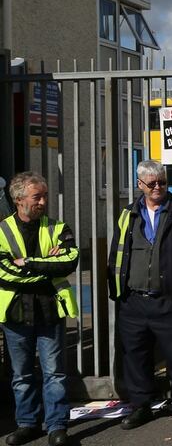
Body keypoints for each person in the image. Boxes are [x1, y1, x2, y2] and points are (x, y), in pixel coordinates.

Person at [108, 160, 172, 430]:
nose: (158, 187)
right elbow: (117, 253)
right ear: (140, 185)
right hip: (134, 299)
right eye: (152, 183)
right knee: (135, 354)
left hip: (171, 297)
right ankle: (141, 404)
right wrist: (117, 291)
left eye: (161, 181)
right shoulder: (128, 214)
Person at [0, 172, 79, 446]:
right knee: (21, 375)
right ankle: (28, 424)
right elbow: (4, 272)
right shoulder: (2, 230)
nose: (43, 201)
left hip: (49, 309)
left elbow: (70, 260)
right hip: (16, 312)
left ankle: (57, 426)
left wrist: (29, 263)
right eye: (37, 197)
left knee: (54, 373)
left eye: (44, 196)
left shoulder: (58, 227)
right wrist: (46, 265)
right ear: (19, 199)